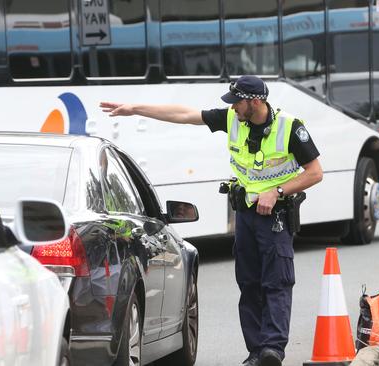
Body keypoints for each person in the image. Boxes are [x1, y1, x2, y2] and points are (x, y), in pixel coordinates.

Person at [100, 75, 323, 366]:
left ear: (254, 101)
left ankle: (272, 349)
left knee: (276, 283)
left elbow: (315, 172)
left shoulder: (290, 127)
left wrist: (276, 191)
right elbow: (184, 114)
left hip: (276, 217)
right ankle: (257, 352)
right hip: (245, 214)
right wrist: (135, 109)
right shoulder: (233, 118)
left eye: (237, 102)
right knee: (249, 283)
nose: (233, 108)